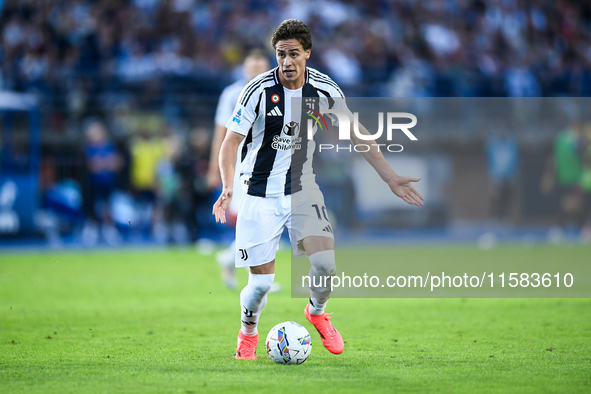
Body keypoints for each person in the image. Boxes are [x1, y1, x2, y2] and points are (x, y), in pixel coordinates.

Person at [212, 19, 424, 360]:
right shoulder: (256, 91)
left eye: (294, 54)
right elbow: (230, 142)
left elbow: (357, 133)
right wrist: (226, 185)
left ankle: (316, 311)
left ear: (307, 53)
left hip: (301, 189)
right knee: (262, 285)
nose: (286, 61)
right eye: (281, 54)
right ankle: (248, 332)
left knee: (326, 264)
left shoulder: (326, 90)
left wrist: (390, 177)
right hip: (257, 193)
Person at [207, 49, 272, 289]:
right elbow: (220, 134)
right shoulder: (233, 94)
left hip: (268, 167)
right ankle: (256, 278)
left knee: (262, 219)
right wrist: (215, 170)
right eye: (252, 66)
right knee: (254, 218)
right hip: (242, 167)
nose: (256, 70)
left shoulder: (278, 93)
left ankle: (231, 260)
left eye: (260, 66)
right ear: (244, 68)